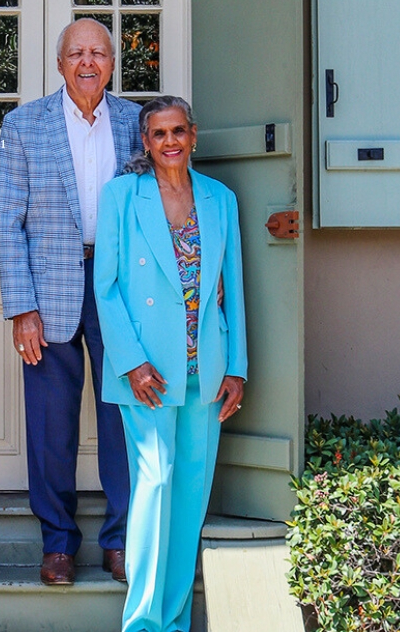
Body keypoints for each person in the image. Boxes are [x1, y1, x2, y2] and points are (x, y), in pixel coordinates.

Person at [0, 18, 142, 586]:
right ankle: (57, 543)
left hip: (120, 286)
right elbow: (7, 223)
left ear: (111, 63)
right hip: (49, 286)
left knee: (123, 417)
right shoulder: (24, 124)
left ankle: (121, 540)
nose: (88, 62)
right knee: (51, 423)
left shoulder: (136, 123)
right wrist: (20, 307)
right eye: (76, 52)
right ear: (60, 64)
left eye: (98, 53)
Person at [94, 96, 247, 632]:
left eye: (177, 131)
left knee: (189, 497)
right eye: (158, 134)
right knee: (155, 484)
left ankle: (174, 621)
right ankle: (140, 621)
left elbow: (235, 291)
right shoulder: (121, 196)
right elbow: (105, 286)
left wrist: (237, 367)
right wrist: (131, 362)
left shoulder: (220, 199)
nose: (169, 142)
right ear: (145, 142)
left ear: (193, 134)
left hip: (204, 368)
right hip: (149, 373)